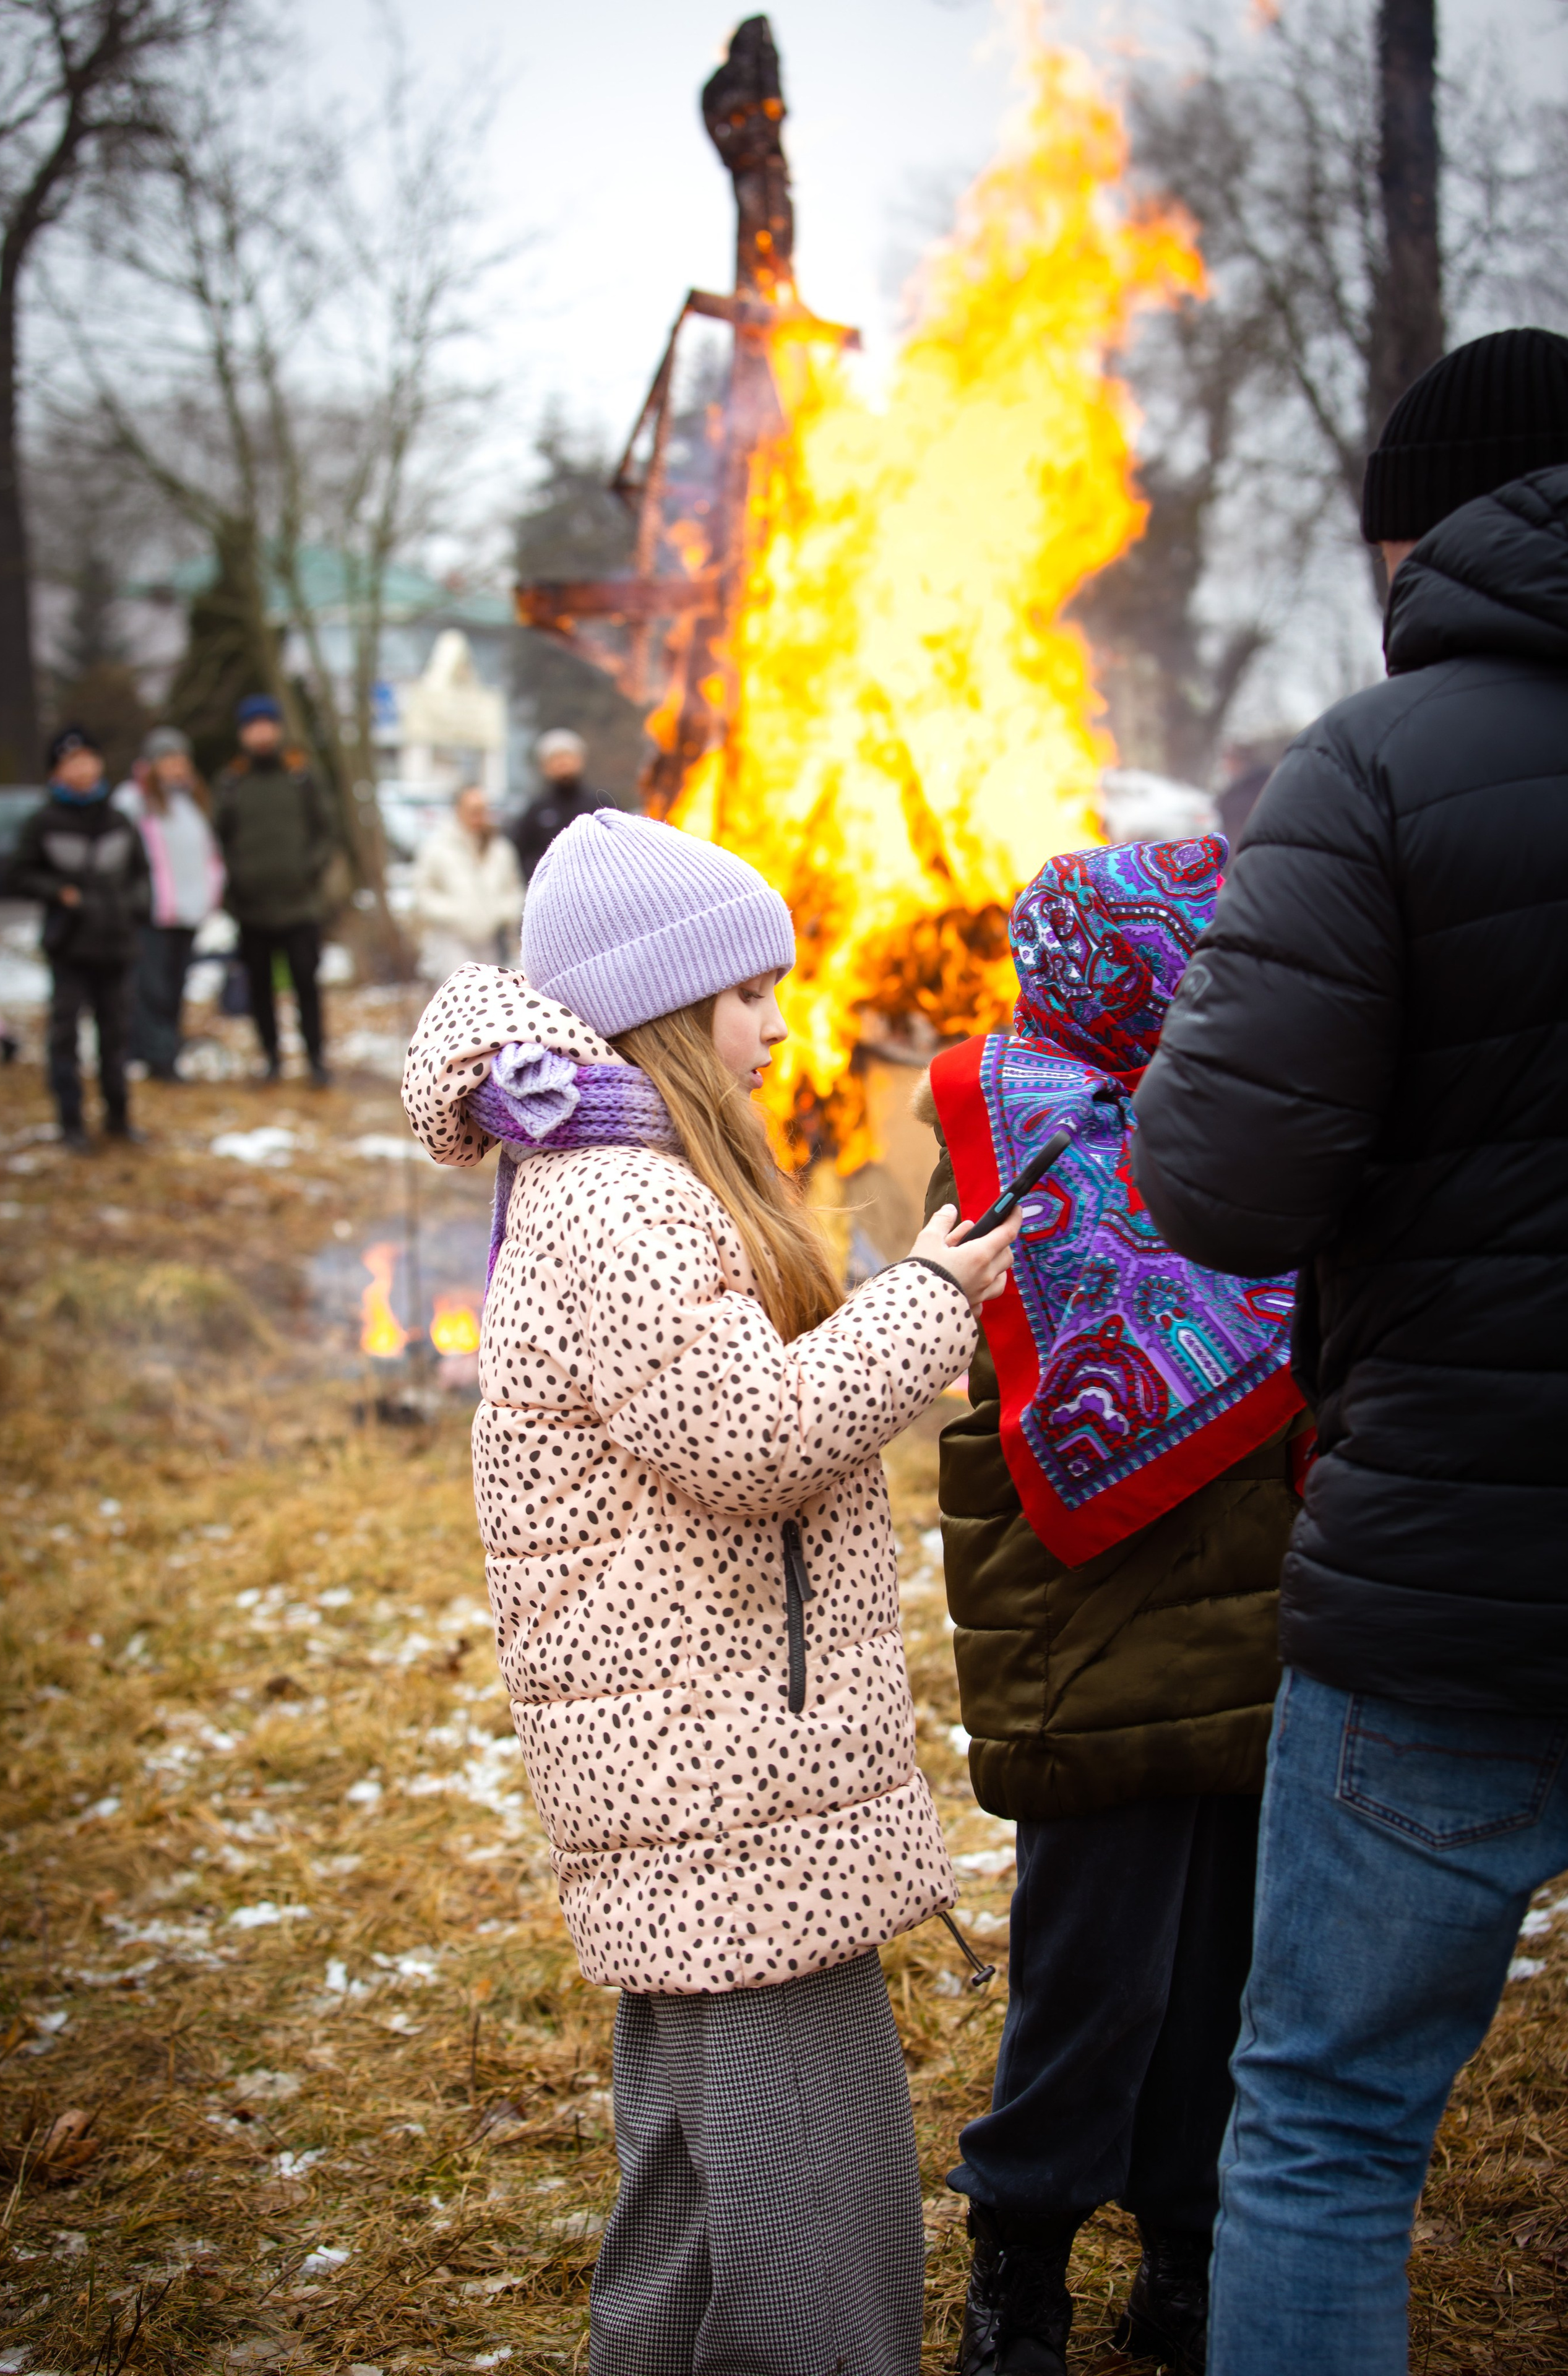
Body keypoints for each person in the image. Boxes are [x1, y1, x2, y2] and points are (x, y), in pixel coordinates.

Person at [402, 807, 1022, 2376]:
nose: (772, 1025)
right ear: (660, 1005)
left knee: (692, 2188)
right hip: (725, 1778)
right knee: (818, 2220)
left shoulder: (614, 1177)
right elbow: (738, 1438)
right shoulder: (623, 1198)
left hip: (700, 1768)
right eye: (747, 993)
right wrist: (923, 1305)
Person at [1130, 327, 1568, 2376]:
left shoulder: (1373, 771)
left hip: (1452, 1591)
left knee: (1320, 2128)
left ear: (1425, 538)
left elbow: (1216, 1185)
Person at [920, 838, 1307, 2376]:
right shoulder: (1019, 1124)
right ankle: (1017, 2250)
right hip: (1093, 1637)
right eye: (1194, 955)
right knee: (1090, 1972)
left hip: (1251, 1611)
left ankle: (1187, 2255)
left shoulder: (1248, 1114)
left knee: (1222, 1961)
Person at [10, 725, 150, 1150]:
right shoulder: (43, 822)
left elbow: (142, 875)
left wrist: (130, 908)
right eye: (72, 761)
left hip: (115, 943)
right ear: (57, 770)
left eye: (88, 758)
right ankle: (71, 1123)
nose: (83, 768)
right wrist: (59, 893)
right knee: (66, 1038)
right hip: (70, 947)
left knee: (117, 1036)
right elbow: (20, 874)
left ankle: (119, 1117)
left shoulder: (119, 820)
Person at [213, 694, 337, 1085]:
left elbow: (326, 830)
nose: (261, 733)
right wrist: (237, 880)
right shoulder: (232, 783)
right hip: (252, 909)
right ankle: (270, 1059)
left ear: (278, 728)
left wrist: (309, 870)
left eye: (267, 725)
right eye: (253, 727)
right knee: (260, 989)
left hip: (300, 907)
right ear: (243, 733)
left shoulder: (300, 775)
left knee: (306, 985)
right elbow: (217, 841)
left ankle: (316, 1060)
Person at [113, 726, 222, 1080]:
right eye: (169, 759)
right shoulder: (133, 800)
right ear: (153, 763)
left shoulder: (190, 801)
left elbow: (204, 853)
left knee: (175, 986)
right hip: (153, 913)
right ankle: (157, 1058)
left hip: (189, 912)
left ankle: (166, 1049)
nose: (177, 766)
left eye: (181, 759)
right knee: (153, 988)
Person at [413, 782, 522, 979]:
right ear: (458, 810)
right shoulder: (437, 848)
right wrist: (453, 912)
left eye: (482, 810)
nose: (478, 817)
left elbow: (514, 890)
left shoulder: (501, 850)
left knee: (492, 998)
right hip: (452, 941)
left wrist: (501, 913)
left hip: (492, 942)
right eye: (473, 810)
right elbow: (423, 893)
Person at [510, 726, 606, 879]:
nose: (562, 764)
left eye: (567, 757)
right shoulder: (536, 810)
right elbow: (520, 852)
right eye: (555, 759)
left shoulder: (600, 803)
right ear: (544, 766)